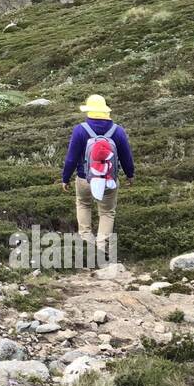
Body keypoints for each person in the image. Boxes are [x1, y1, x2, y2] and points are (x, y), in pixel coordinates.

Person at [61, 95, 134, 266]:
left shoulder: (80, 130)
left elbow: (71, 158)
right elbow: (126, 157)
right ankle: (102, 249)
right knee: (107, 212)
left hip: (84, 178)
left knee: (84, 204)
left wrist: (65, 178)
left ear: (89, 111)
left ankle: (87, 244)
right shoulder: (118, 130)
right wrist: (130, 175)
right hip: (110, 179)